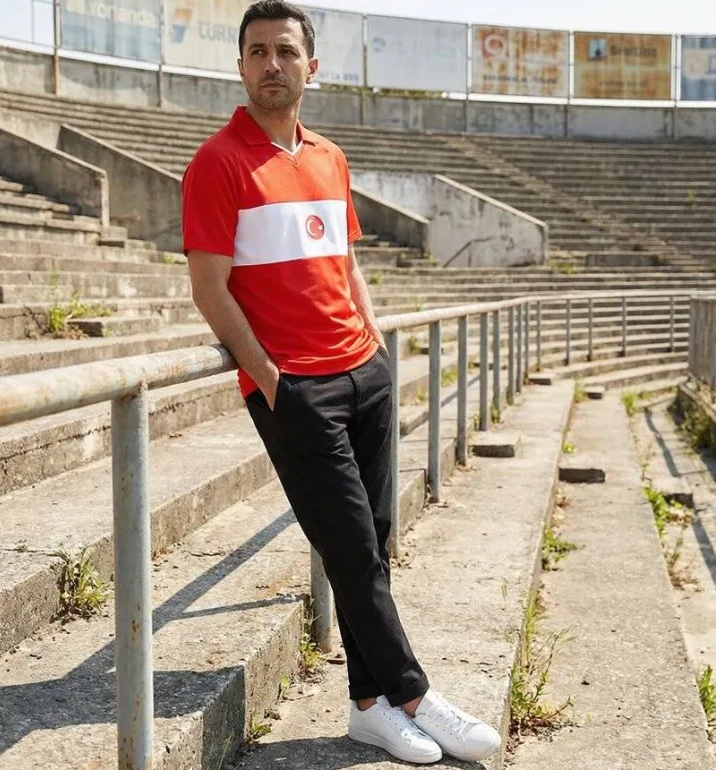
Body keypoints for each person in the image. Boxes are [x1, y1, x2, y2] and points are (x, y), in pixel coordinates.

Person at [181, 1, 502, 764]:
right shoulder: (217, 163)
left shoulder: (329, 156)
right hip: (297, 391)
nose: (271, 64)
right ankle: (416, 696)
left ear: (310, 67)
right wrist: (269, 379)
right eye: (257, 51)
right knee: (352, 549)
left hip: (364, 374)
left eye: (286, 51)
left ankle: (368, 708)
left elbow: (347, 263)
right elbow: (209, 289)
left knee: (374, 544)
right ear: (240, 66)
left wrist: (377, 345)